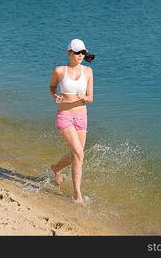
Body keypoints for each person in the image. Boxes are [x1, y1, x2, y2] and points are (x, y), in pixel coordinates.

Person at [49, 39, 94, 204]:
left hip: (82, 117)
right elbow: (52, 87)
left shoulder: (88, 71)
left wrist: (85, 98)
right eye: (77, 52)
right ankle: (78, 195)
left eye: (83, 52)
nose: (80, 55)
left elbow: (91, 98)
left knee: (77, 156)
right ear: (69, 53)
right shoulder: (60, 71)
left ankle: (56, 168)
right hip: (65, 116)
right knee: (79, 154)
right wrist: (55, 96)